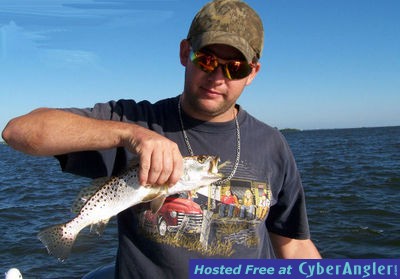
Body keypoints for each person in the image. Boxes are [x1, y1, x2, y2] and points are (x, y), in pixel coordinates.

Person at [2, 0, 321, 278]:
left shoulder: (273, 144)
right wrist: (131, 135)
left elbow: (293, 244)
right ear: (186, 53)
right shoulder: (131, 119)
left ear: (252, 73)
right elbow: (18, 132)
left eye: (234, 68)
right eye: (207, 59)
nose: (217, 77)